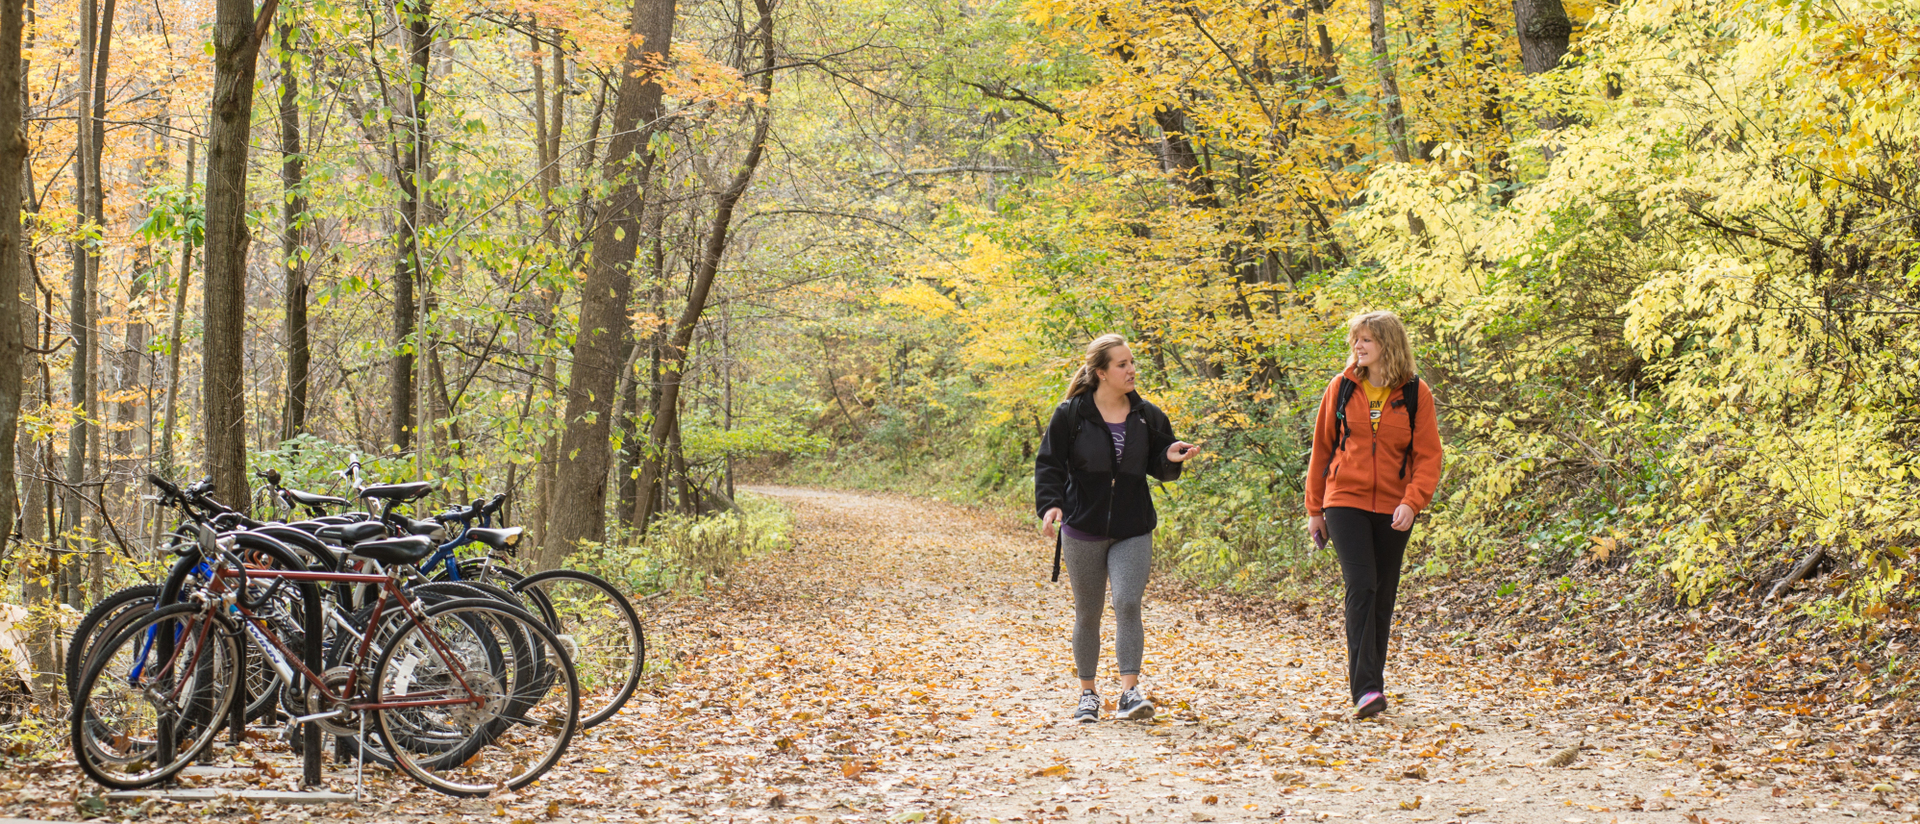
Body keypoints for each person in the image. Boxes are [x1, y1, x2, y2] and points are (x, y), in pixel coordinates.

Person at [1035, 334, 1201, 724]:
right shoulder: (1071, 414)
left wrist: (1170, 457)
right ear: (1101, 373)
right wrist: (1051, 504)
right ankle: (1088, 694)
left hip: (1133, 526)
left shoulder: (1146, 414)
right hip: (1083, 526)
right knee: (1088, 612)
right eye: (1122, 364)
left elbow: (1159, 460)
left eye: (1132, 363)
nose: (1131, 370)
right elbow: (1049, 464)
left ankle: (1129, 692)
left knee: (1127, 602)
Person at [1305, 311, 1443, 719]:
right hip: (1343, 499)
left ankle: (1372, 686)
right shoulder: (1342, 388)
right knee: (1362, 583)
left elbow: (1429, 456)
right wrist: (1315, 508)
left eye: (1366, 340)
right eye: (1356, 340)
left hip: (1394, 507)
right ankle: (1365, 688)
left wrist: (1412, 501)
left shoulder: (1417, 394)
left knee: (1382, 593)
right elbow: (1322, 449)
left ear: (1389, 344)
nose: (1358, 347)